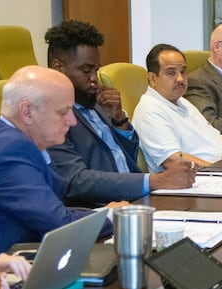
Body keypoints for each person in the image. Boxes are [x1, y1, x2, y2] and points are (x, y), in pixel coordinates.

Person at [0, 66, 120, 265]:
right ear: (27, 112)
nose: (72, 121)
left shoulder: (12, 138)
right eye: (63, 112)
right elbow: (59, 224)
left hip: (19, 257)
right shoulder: (8, 152)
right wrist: (116, 217)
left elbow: (52, 210)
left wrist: (102, 214)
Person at [46, 20, 195, 205]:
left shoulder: (94, 102)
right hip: (106, 210)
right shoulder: (49, 117)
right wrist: (156, 180)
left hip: (139, 198)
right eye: (86, 71)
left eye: (96, 70)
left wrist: (119, 121)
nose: (94, 79)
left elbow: (127, 158)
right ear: (58, 67)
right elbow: (76, 181)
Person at [132, 44, 222, 172]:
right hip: (201, 179)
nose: (180, 79)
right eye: (171, 73)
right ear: (153, 79)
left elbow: (218, 138)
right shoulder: (149, 110)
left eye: (182, 71)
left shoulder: (181, 101)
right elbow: (174, 160)